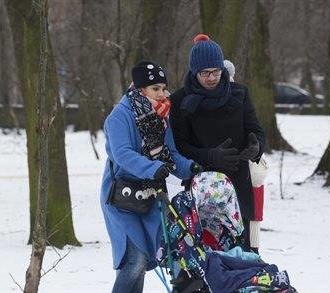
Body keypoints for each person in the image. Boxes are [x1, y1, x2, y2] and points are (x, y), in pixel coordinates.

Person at [100, 60, 202, 293]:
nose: (162, 93)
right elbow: (122, 154)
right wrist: (152, 168)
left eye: (163, 88)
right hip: (121, 197)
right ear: (140, 89)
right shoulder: (119, 116)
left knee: (144, 260)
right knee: (134, 262)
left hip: (149, 195)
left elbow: (171, 154)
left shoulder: (160, 116)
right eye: (155, 88)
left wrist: (191, 168)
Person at [170, 34, 266, 251]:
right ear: (195, 72)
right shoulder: (180, 101)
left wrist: (256, 146)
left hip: (238, 182)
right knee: (205, 256)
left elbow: (256, 131)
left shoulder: (239, 93)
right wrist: (210, 156)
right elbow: (180, 146)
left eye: (216, 71)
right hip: (203, 188)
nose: (212, 77)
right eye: (205, 73)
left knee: (243, 254)